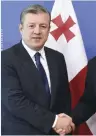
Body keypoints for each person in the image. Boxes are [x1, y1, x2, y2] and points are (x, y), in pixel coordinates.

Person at [1, 4, 74, 135]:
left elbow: (64, 98)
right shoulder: (5, 58)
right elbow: (14, 101)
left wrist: (64, 126)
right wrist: (54, 121)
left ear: (49, 29)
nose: (37, 31)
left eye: (43, 26)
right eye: (31, 26)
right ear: (21, 28)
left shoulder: (57, 58)